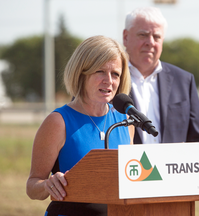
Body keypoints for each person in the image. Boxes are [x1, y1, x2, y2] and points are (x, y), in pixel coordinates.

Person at [26, 35, 134, 216]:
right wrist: (47, 185)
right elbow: (32, 186)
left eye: (115, 74)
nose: (109, 80)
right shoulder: (58, 121)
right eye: (100, 71)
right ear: (81, 73)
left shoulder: (126, 123)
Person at [123, 7, 199, 144]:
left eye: (156, 36)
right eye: (143, 35)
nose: (150, 42)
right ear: (125, 37)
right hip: (129, 165)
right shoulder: (109, 80)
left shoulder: (184, 81)